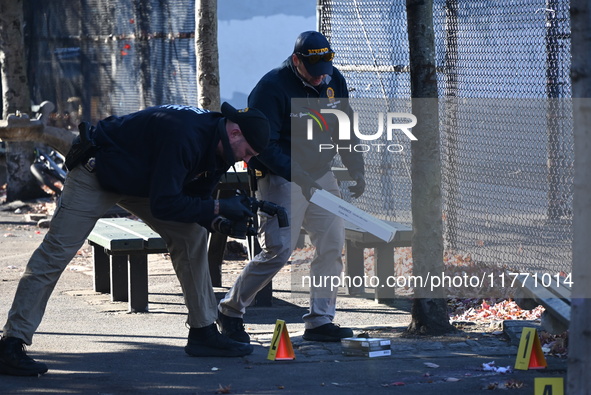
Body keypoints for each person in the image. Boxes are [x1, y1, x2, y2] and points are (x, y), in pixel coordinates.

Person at [0, 102, 270, 376]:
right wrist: (219, 208)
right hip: (98, 171)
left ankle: (203, 332)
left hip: (145, 181)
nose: (245, 160)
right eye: (247, 152)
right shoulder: (186, 134)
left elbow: (195, 200)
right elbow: (166, 204)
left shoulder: (221, 146)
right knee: (56, 251)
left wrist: (219, 222)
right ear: (235, 133)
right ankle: (11, 343)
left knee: (191, 234)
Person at [217, 31, 365, 343]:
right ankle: (230, 310)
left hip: (321, 173)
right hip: (280, 176)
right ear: (297, 61)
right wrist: (299, 176)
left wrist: (356, 166)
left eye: (326, 68)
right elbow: (264, 146)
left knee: (331, 243)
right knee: (279, 250)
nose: (321, 77)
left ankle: (320, 321)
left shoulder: (332, 77)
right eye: (315, 70)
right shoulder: (271, 88)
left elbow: (344, 123)